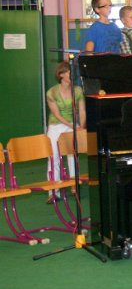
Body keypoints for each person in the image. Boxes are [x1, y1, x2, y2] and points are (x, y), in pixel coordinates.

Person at [45, 61, 85, 203]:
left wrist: (81, 126)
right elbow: (57, 115)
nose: (71, 74)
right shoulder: (51, 92)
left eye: (72, 71)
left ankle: (74, 186)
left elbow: (82, 110)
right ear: (61, 74)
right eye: (69, 71)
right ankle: (53, 192)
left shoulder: (78, 91)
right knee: (54, 157)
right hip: (56, 126)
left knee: (72, 155)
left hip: (72, 125)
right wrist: (73, 126)